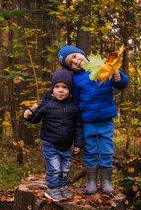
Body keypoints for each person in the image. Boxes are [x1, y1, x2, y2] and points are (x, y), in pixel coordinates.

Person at [57, 45, 129, 195]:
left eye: (76, 56)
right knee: (90, 150)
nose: (76, 61)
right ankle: (91, 181)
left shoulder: (103, 66)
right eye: (71, 62)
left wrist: (119, 77)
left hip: (106, 119)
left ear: (83, 53)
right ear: (70, 68)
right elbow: (75, 101)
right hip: (87, 121)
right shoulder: (75, 80)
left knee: (106, 150)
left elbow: (121, 84)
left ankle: (106, 181)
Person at [23, 69, 84, 201]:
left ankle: (62, 187)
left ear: (70, 90)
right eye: (57, 87)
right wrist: (28, 115)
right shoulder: (47, 103)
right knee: (54, 168)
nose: (60, 90)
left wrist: (79, 143)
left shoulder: (74, 106)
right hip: (50, 143)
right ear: (52, 89)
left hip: (66, 144)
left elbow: (78, 126)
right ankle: (52, 189)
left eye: (65, 87)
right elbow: (36, 119)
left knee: (64, 169)